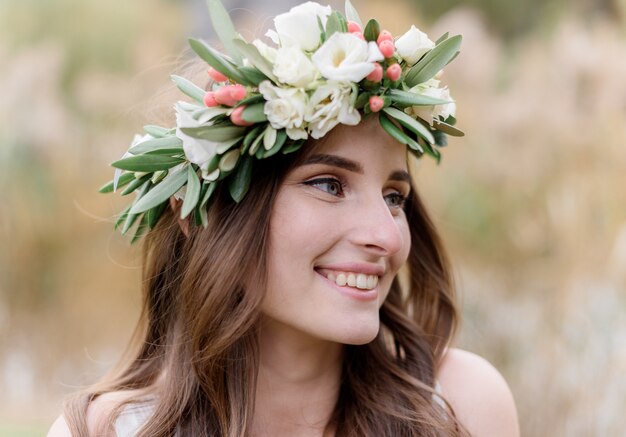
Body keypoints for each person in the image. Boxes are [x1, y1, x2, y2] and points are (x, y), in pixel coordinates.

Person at [48, 1, 519, 436]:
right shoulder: (106, 431)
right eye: (329, 185)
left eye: (394, 197)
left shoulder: (461, 409)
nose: (386, 236)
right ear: (202, 210)